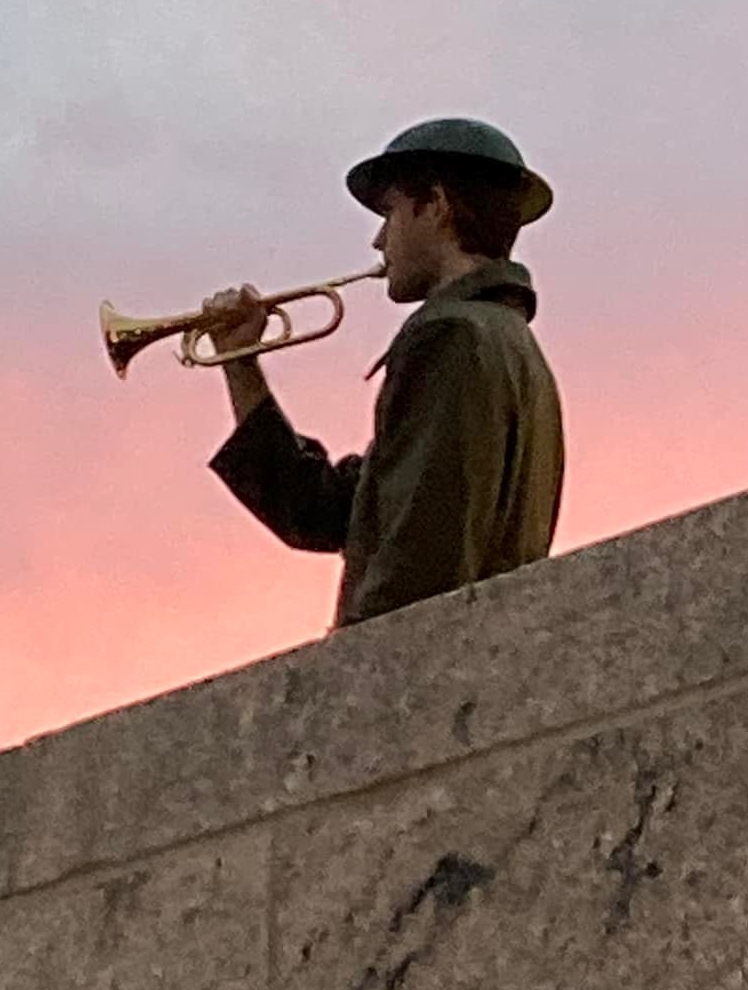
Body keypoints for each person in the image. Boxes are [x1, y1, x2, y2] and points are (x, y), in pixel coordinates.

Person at [204, 117, 566, 631]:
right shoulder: (511, 343)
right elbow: (323, 513)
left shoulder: (450, 335)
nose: (378, 240)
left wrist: (355, 672)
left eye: (390, 212)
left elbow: (419, 555)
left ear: (435, 206)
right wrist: (240, 363)